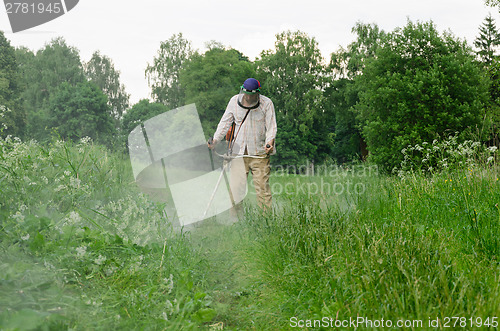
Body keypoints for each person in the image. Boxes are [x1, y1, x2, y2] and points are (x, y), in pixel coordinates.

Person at [208, 78, 277, 211]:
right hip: (238, 153)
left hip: (260, 154)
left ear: (257, 93)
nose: (248, 98)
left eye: (251, 96)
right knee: (236, 190)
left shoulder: (266, 103)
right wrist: (215, 140)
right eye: (246, 94)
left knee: (263, 189)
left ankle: (266, 221)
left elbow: (271, 127)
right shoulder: (234, 101)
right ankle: (236, 220)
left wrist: (270, 142)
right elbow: (224, 123)